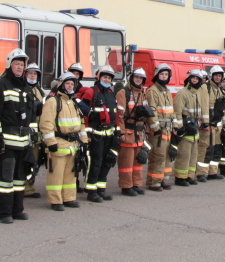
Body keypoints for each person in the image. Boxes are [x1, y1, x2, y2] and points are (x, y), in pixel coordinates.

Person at [0, 49, 37, 224]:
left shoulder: (26, 88)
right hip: (6, 142)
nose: (20, 67)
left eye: (22, 65)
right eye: (17, 64)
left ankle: (17, 210)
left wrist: (33, 135)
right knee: (4, 180)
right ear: (9, 65)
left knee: (19, 179)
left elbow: (31, 116)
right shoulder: (0, 86)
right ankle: (3, 213)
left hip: (22, 143)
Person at [40, 71, 88, 210]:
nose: (69, 86)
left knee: (71, 175)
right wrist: (51, 142)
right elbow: (46, 124)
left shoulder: (73, 102)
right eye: (67, 83)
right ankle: (55, 201)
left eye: (72, 84)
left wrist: (84, 140)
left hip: (73, 145)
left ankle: (69, 198)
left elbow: (81, 123)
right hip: (58, 144)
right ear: (61, 85)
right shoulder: (53, 102)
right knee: (56, 175)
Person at [77, 65, 119, 202]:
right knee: (95, 163)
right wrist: (87, 134)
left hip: (109, 134)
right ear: (99, 77)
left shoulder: (111, 93)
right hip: (96, 135)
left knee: (107, 162)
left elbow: (115, 115)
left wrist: (117, 133)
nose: (106, 80)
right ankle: (91, 191)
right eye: (104, 77)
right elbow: (84, 115)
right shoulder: (91, 92)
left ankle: (101, 190)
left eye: (109, 78)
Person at [144, 64, 180, 192]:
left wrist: (175, 126)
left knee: (167, 156)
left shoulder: (167, 91)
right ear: (157, 75)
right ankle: (154, 182)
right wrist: (156, 129)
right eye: (162, 74)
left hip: (168, 129)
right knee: (157, 156)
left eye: (166, 75)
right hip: (158, 131)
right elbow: (152, 112)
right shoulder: (152, 91)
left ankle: (163, 179)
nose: (164, 77)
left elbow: (172, 112)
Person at [116, 67, 151, 196]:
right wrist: (122, 132)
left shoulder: (142, 93)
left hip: (139, 133)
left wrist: (146, 130)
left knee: (137, 162)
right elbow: (119, 115)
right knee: (126, 162)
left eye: (141, 78)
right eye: (136, 77)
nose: (138, 80)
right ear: (132, 78)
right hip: (128, 132)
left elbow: (146, 115)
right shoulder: (123, 93)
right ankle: (126, 186)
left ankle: (136, 184)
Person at [173, 69, 209, 185]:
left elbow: (201, 109)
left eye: (197, 79)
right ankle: (180, 177)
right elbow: (177, 112)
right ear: (189, 79)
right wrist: (179, 127)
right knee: (184, 154)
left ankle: (189, 175)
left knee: (193, 154)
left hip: (195, 127)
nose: (194, 80)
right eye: (193, 78)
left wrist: (204, 122)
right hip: (185, 127)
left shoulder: (197, 93)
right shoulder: (183, 93)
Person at [23, 63, 45, 198]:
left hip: (36, 134)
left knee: (33, 161)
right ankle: (20, 188)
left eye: (35, 74)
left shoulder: (40, 92)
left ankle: (29, 189)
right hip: (23, 132)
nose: (32, 76)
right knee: (23, 161)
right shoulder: (21, 89)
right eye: (30, 73)